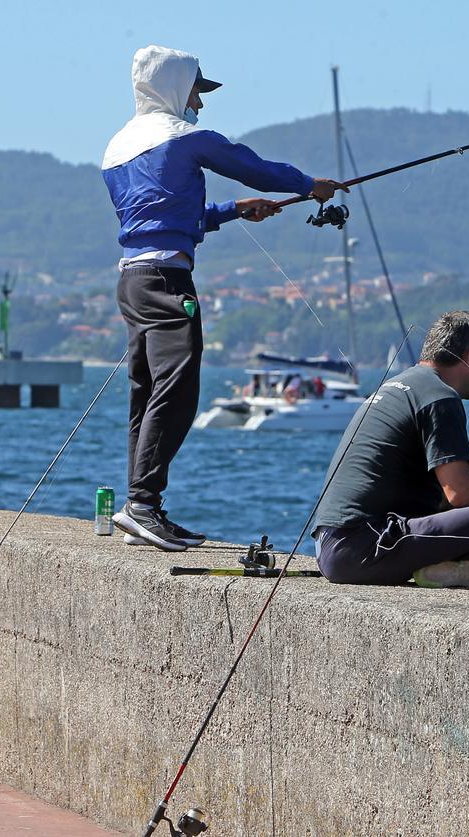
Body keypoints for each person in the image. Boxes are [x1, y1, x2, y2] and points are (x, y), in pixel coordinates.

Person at [102, 44, 346, 552]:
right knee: (179, 382)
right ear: (173, 86)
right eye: (196, 90)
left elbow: (163, 215)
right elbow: (247, 164)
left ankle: (141, 509)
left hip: (133, 280)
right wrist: (309, 185)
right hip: (168, 280)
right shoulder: (185, 138)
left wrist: (234, 211)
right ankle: (142, 506)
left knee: (146, 392)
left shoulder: (118, 148)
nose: (201, 102)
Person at [313, 311, 469, 588]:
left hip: (334, 545)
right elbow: (460, 493)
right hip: (360, 549)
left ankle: (444, 569)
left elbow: (443, 498)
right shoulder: (440, 396)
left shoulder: (400, 385)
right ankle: (453, 571)